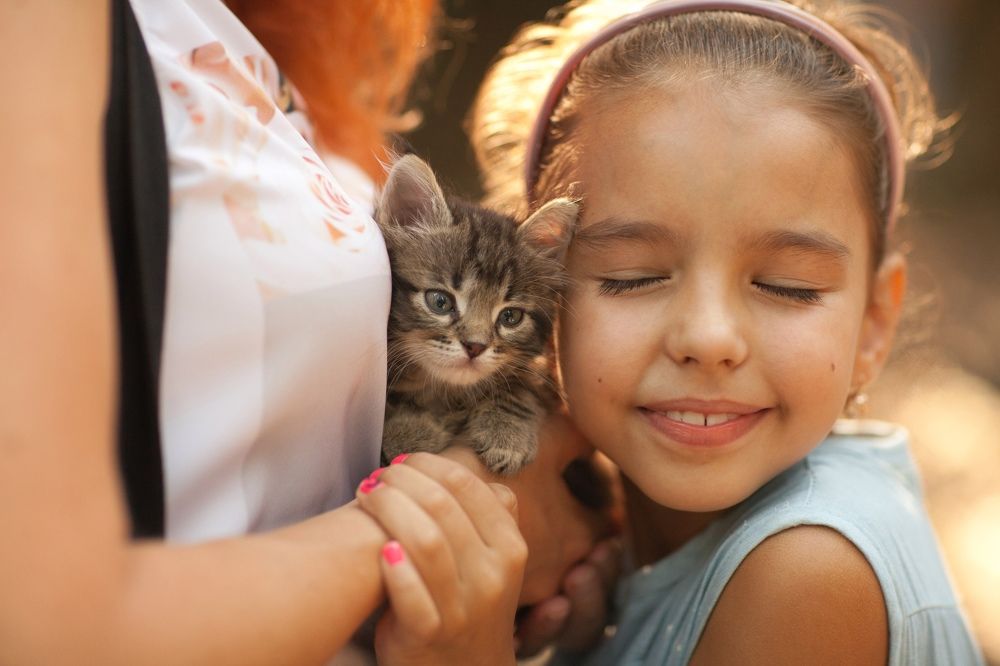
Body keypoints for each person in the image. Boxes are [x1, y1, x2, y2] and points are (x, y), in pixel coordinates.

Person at [354, 0, 986, 663]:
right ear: (551, 310)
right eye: (634, 278)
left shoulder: (808, 575)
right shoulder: (612, 535)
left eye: (787, 286)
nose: (708, 339)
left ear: (873, 326)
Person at [0, 0, 616, 663]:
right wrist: (460, 520)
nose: (472, 339)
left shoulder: (287, 44)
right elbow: (52, 627)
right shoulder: (58, 27)